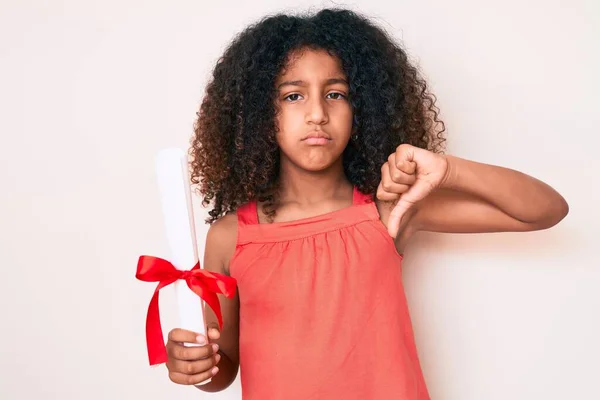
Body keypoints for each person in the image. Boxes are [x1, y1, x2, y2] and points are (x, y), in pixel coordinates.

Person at [163, 8, 568, 399]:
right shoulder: (230, 237)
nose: (317, 114)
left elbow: (545, 210)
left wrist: (447, 171)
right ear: (256, 113)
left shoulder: (389, 210)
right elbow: (224, 368)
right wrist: (199, 366)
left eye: (336, 93)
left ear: (363, 108)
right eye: (293, 96)